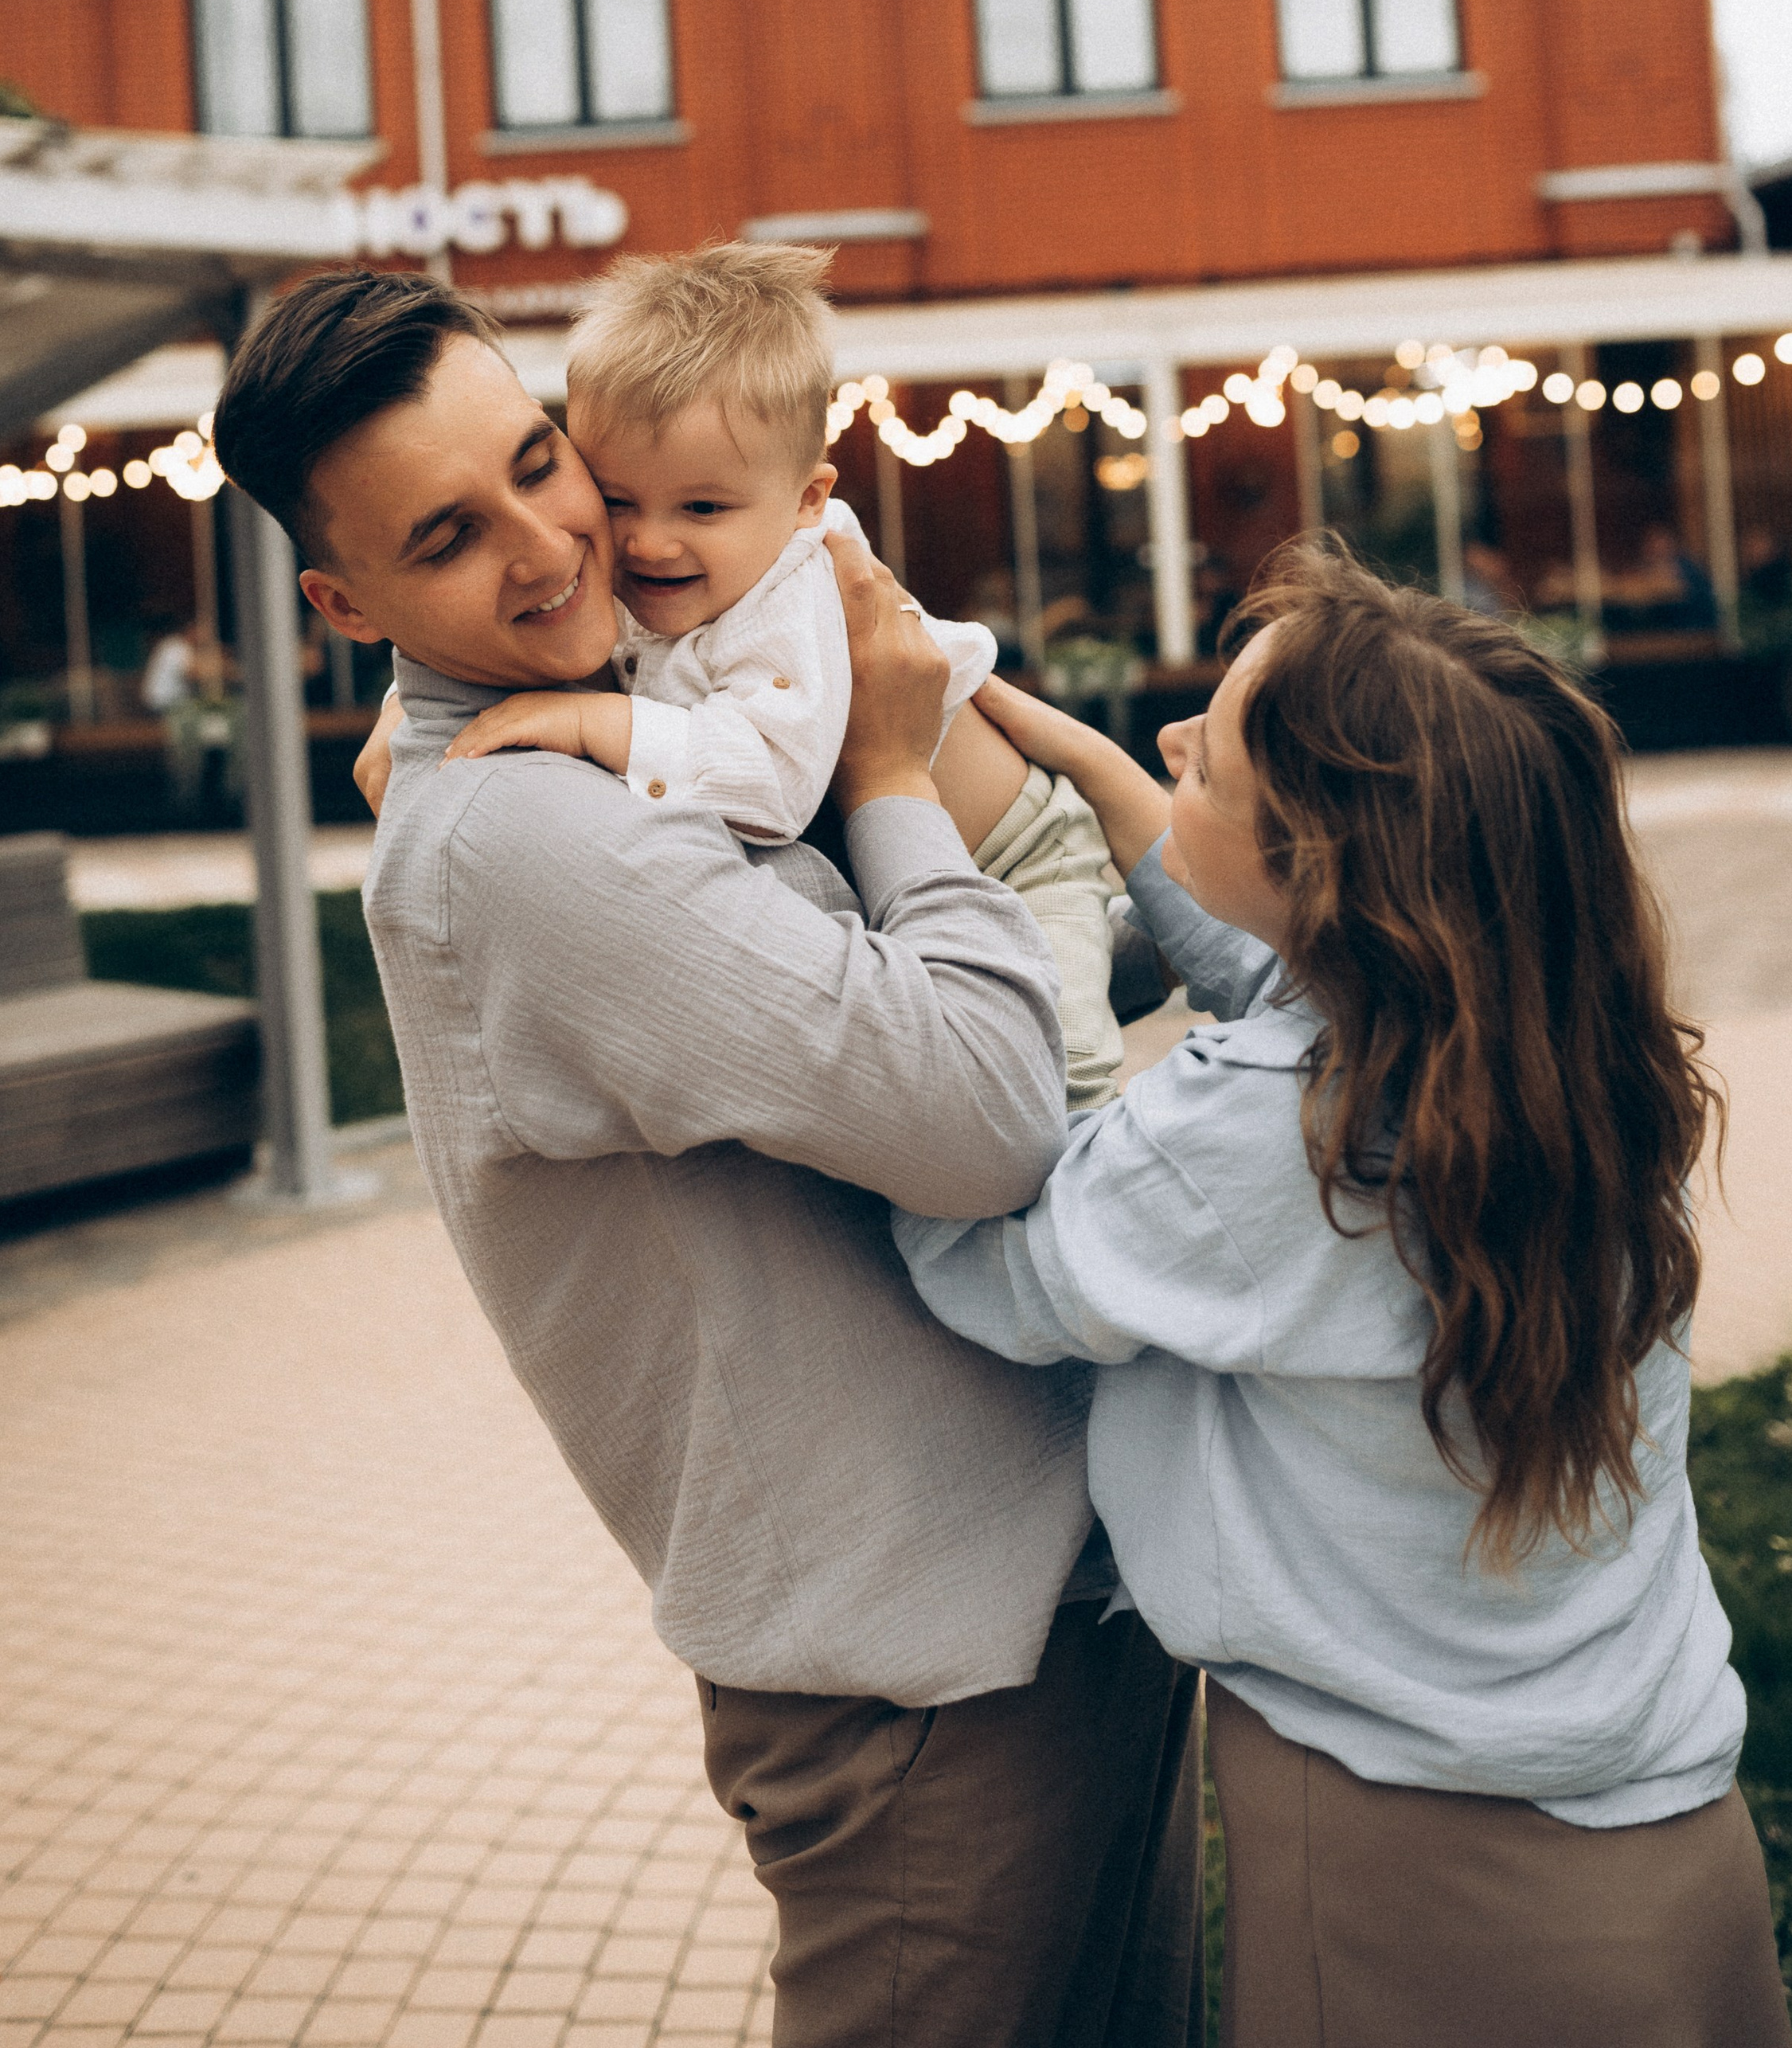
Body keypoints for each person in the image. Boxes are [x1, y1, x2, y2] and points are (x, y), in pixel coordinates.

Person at [211, 271, 1204, 2048]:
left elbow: (1042, 967)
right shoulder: (532, 831)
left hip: (1038, 1611)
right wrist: (893, 766)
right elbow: (986, 1117)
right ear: (342, 602)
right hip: (924, 1685)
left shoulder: (643, 701)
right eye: (450, 535)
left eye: (539, 463)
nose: (552, 547)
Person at [893, 538, 1790, 2048]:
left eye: (1210, 762)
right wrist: (1109, 789)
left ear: (1322, 874)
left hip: (1414, 1865)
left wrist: (960, 874)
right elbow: (1285, 997)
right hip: (1667, 1846)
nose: (1172, 738)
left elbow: (983, 1255)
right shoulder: (1547, 1059)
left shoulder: (1253, 1146)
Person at [430, 242, 1122, 1104]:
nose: (648, 540)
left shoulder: (799, 595)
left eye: (703, 507)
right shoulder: (670, 570)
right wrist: (412, 700)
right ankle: (1126, 950)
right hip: (907, 875)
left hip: (1016, 862)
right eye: (617, 499)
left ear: (806, 499)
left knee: (1054, 1079)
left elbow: (776, 785)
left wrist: (594, 724)